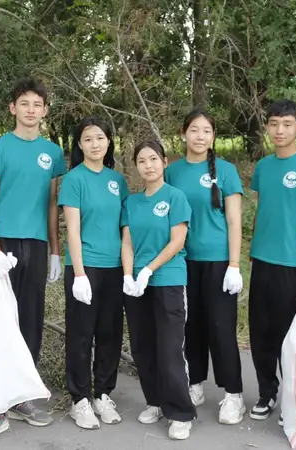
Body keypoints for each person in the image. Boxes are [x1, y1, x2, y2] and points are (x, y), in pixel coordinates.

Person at [0, 77, 65, 443]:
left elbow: (52, 204)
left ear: (45, 111)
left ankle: (23, 395)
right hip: (4, 245)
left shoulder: (52, 153)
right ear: (13, 108)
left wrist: (56, 250)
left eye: (37, 104)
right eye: (23, 103)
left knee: (30, 318)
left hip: (37, 243)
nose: (31, 110)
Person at [164, 110, 246, 425]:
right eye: (194, 130)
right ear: (183, 133)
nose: (200, 136)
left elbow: (234, 219)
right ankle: (195, 384)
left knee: (220, 328)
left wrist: (234, 265)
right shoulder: (172, 172)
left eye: (207, 131)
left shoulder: (225, 171)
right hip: (182, 261)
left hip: (218, 262)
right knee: (191, 326)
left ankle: (233, 394)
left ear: (213, 136)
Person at [247, 100, 296, 425]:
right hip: (261, 261)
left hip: (293, 266)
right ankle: (268, 392)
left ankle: (295, 401)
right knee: (260, 332)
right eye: (274, 123)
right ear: (267, 127)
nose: (280, 130)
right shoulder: (263, 167)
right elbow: (267, 211)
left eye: (287, 124)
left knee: (289, 337)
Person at [122, 140, 196, 440]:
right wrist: (129, 275)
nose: (148, 165)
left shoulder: (175, 197)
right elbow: (126, 242)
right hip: (137, 286)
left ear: (165, 162)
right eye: (142, 161)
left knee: (169, 348)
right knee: (143, 346)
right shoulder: (131, 202)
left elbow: (177, 241)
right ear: (136, 167)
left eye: (153, 159)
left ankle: (179, 412)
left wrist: (149, 270)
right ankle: (154, 401)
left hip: (168, 280)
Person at [59, 117, 129, 430]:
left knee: (110, 334)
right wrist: (79, 273)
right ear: (79, 145)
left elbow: (124, 228)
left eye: (100, 138)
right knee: (81, 334)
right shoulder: (74, 179)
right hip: (85, 268)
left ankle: (103, 393)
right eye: (88, 139)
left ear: (109, 142)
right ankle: (80, 399)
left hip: (114, 268)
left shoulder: (118, 180)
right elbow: (72, 229)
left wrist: (128, 270)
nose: (95, 144)